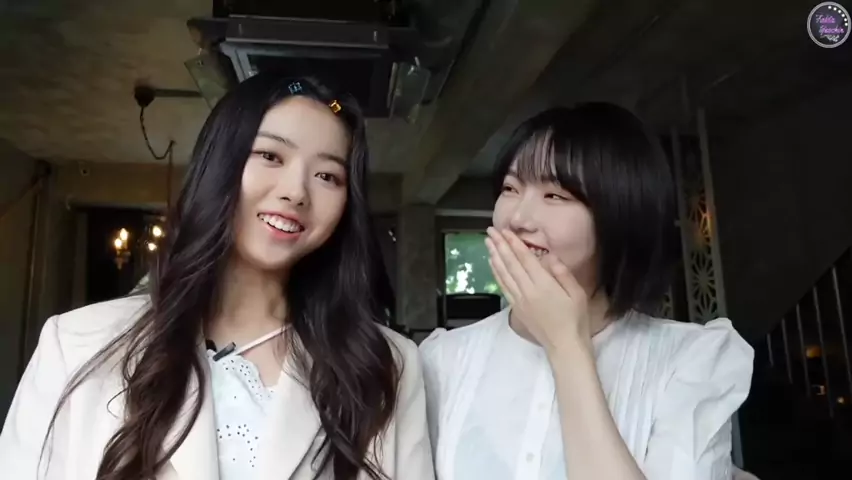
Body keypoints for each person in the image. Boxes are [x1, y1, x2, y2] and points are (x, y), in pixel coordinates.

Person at [0, 74, 433, 480]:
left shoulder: (385, 366)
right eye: (270, 156)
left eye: (327, 175)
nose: (296, 191)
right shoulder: (78, 344)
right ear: (219, 164)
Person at [420, 103, 754, 480]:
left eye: (554, 196)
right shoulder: (442, 360)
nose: (518, 219)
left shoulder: (690, 363)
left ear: (620, 213)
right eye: (510, 188)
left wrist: (567, 346)